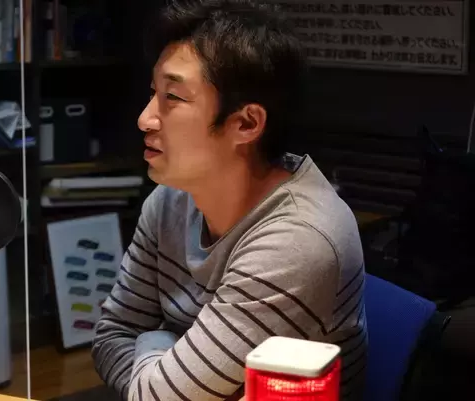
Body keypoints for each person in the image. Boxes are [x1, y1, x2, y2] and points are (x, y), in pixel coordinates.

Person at [91, 1, 367, 400]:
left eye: (173, 97)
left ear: (246, 123)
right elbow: (112, 335)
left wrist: (154, 339)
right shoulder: (171, 199)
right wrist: (159, 373)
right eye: (153, 93)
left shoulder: (297, 241)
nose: (145, 118)